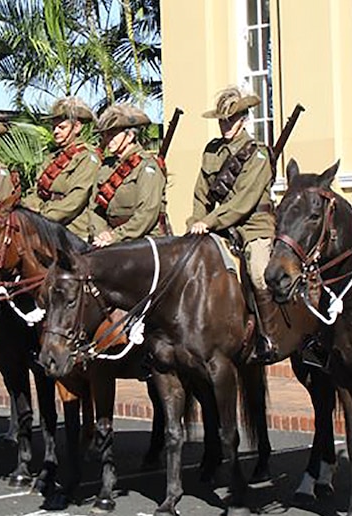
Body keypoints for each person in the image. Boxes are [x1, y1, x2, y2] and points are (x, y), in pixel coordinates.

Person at [186, 86, 284, 362]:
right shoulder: (212, 151)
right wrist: (196, 221)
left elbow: (244, 201)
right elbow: (200, 193)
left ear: (244, 118)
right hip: (219, 227)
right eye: (222, 120)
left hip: (254, 226)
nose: (225, 125)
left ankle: (269, 335)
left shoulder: (259, 153)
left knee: (256, 271)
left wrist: (209, 220)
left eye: (231, 119)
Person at [84, 104, 168, 247]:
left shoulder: (146, 166)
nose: (107, 139)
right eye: (104, 135)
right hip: (109, 238)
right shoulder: (106, 167)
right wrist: (101, 232)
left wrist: (115, 236)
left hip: (144, 240)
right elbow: (94, 208)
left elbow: (146, 214)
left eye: (112, 134)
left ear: (129, 136)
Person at [21, 97, 100, 237]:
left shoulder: (87, 158)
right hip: (43, 224)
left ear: (76, 127)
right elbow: (35, 190)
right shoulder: (52, 157)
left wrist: (43, 217)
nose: (55, 131)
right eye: (54, 127)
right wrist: (32, 210)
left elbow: (76, 200)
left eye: (61, 127)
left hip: (72, 231)